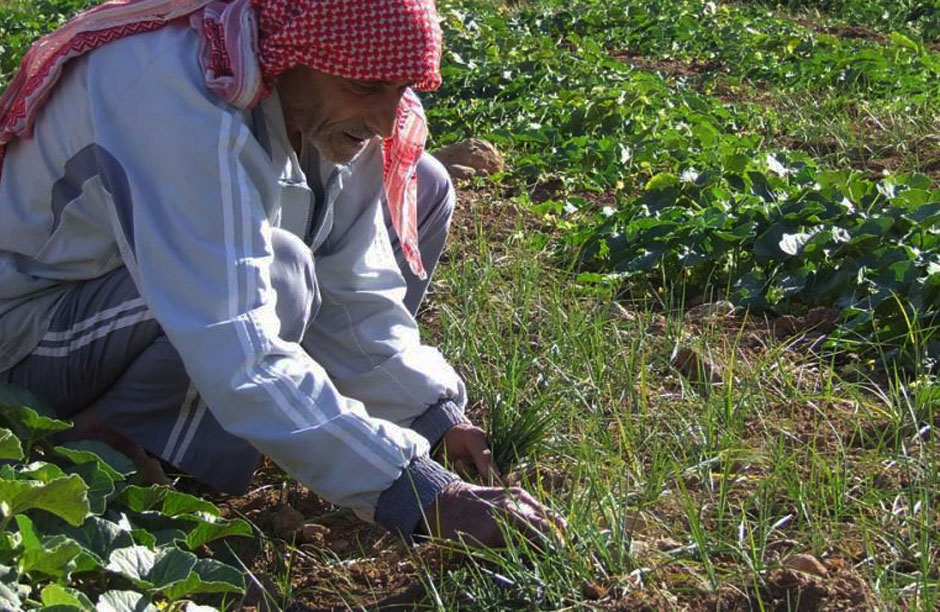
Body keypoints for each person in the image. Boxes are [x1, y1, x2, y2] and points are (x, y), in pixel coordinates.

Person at [0, 0, 562, 546]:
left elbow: (352, 296)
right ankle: (95, 447)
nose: (387, 120)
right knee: (282, 276)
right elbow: (236, 343)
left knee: (422, 185)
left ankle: (288, 424)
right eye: (366, 88)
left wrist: (431, 416)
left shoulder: (310, 88)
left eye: (399, 90)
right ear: (293, 52)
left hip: (118, 312)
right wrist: (417, 493)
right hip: (27, 334)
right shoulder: (177, 94)